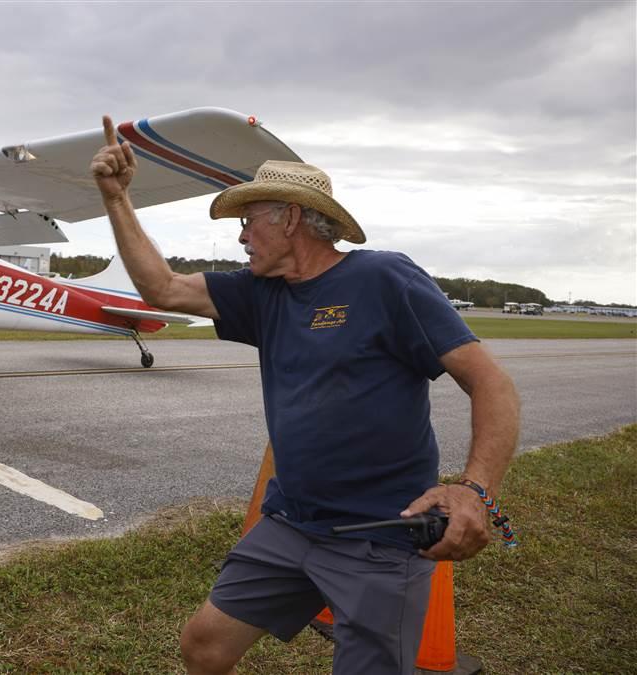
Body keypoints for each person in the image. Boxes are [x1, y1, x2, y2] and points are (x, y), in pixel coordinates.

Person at [89, 116, 519, 675]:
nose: (241, 236)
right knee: (204, 645)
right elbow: (162, 287)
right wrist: (117, 198)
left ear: (290, 217)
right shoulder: (262, 293)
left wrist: (474, 491)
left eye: (249, 221)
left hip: (380, 536)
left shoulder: (385, 279)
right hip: (291, 521)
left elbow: (492, 383)